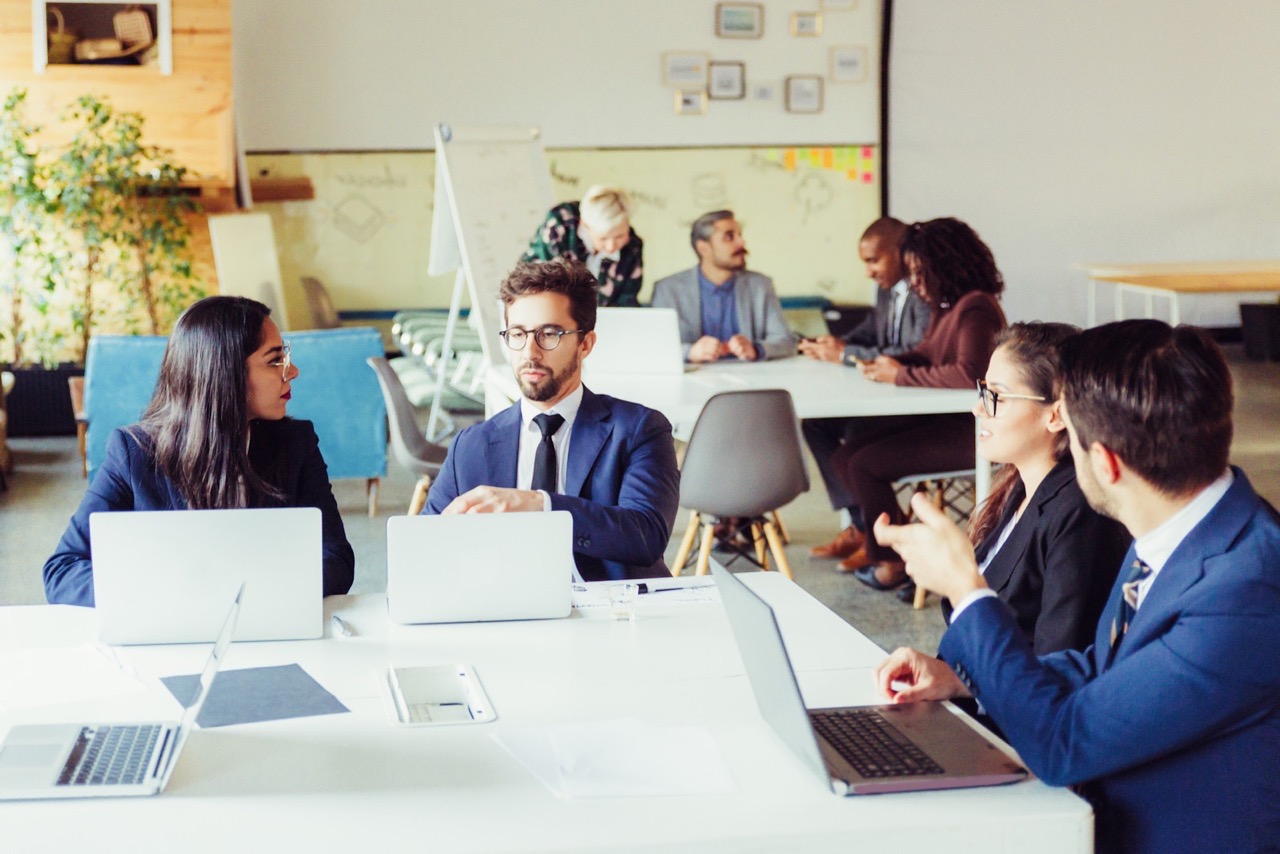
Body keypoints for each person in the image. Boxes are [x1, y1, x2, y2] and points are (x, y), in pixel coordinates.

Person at [873, 320, 1280, 854]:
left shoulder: (1245, 592)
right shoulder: (1177, 520)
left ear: (1105, 463)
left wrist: (967, 591)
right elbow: (1103, 668)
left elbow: (1063, 744)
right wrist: (960, 679)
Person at [43, 296, 355, 606]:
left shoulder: (295, 442)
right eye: (274, 360)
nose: (293, 371)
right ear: (224, 372)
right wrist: (168, 595)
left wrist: (259, 590)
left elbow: (336, 556)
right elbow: (63, 570)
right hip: (173, 632)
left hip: (268, 619)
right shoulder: (134, 453)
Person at [424, 257, 680, 581]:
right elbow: (426, 546)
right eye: (517, 334)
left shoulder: (638, 429)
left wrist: (538, 504)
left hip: (610, 614)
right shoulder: (471, 446)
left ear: (585, 343)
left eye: (549, 334)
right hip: (505, 611)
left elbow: (646, 537)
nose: (530, 352)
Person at [834, 217, 1007, 586]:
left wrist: (899, 374)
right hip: (943, 421)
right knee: (845, 456)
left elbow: (968, 374)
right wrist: (893, 364)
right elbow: (927, 353)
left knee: (863, 465)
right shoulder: (948, 306)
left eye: (918, 272)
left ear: (942, 267)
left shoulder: (976, 308)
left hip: (969, 430)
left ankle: (893, 563)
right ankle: (904, 548)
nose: (913, 282)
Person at [948, 322, 1130, 653]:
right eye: (983, 391)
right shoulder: (1021, 486)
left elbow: (1057, 661)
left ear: (1056, 415)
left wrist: (956, 579)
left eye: (997, 396)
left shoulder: (1079, 510)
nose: (979, 408)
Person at [799, 217, 931, 564]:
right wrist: (839, 343)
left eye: (874, 260)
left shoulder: (925, 292)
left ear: (901, 252)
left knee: (856, 432)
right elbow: (873, 330)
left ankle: (880, 538)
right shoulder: (887, 289)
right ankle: (861, 526)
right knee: (815, 423)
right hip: (889, 397)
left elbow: (911, 351)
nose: (868, 272)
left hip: (920, 406)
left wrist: (844, 355)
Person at [651, 210, 794, 363]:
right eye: (729, 237)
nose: (741, 242)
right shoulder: (668, 289)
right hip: (692, 380)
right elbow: (653, 347)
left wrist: (756, 349)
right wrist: (690, 352)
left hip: (751, 378)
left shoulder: (760, 285)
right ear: (703, 248)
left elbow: (787, 341)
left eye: (740, 235)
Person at [522, 185, 643, 307]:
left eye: (619, 236)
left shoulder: (632, 248)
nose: (611, 246)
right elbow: (546, 286)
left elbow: (627, 302)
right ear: (584, 225)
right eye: (603, 238)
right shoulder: (560, 226)